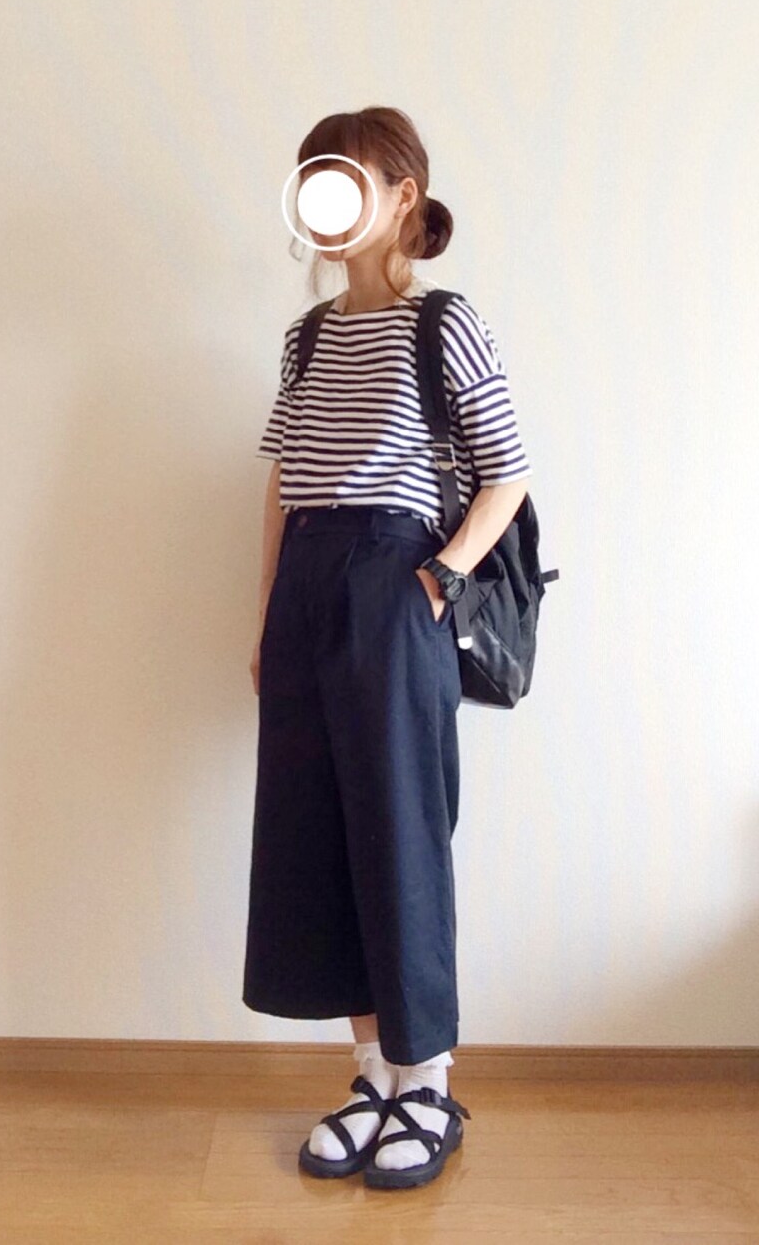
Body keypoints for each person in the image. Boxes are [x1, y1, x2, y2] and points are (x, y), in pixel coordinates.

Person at [242, 106, 533, 1190]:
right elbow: (282, 483)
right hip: (306, 590)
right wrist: (264, 613)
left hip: (395, 583)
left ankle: (429, 1083)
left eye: (347, 178)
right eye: (312, 178)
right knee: (317, 834)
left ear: (401, 194)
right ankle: (372, 1074)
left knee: (401, 833)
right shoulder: (306, 337)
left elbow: (507, 472)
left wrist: (438, 580)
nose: (324, 199)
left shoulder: (443, 323)